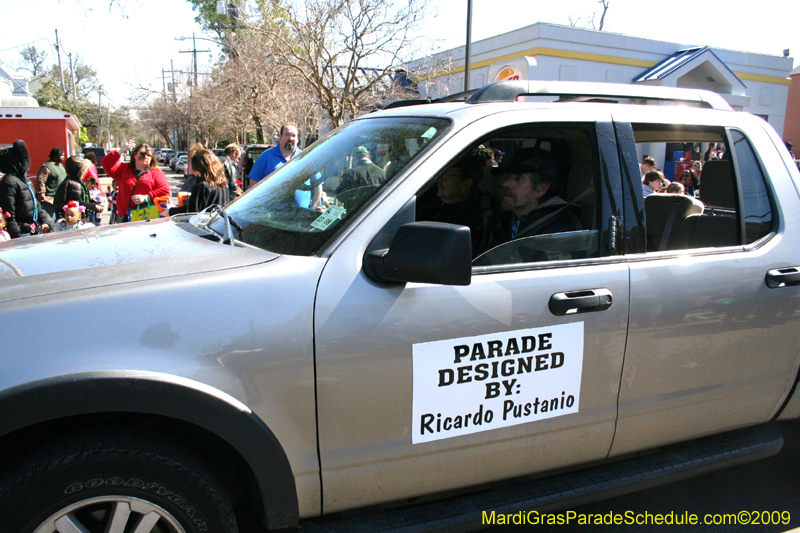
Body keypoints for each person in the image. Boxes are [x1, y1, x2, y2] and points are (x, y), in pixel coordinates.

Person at [488, 147, 581, 246]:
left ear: (540, 189)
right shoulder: (504, 221)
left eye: (519, 178)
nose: (506, 183)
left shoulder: (561, 227)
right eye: (509, 176)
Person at [417, 155, 492, 256]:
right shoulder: (428, 199)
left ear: (466, 185)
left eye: (446, 175)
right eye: (440, 174)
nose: (439, 180)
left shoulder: (476, 217)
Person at [102, 141, 170, 223]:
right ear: (134, 155)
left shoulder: (155, 173)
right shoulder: (124, 169)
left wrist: (146, 198)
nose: (145, 157)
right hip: (125, 218)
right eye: (142, 154)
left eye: (148, 155)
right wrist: (121, 151)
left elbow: (165, 190)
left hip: (147, 217)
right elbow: (106, 164)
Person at [0, 140, 53, 238]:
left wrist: (46, 222)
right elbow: (9, 215)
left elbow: (36, 206)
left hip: (33, 231)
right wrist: (18, 237)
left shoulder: (25, 180)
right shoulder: (9, 182)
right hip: (22, 233)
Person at [168, 149, 230, 215]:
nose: (187, 164)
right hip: (218, 222)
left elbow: (193, 210)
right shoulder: (222, 183)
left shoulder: (202, 185)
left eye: (190, 161)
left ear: (198, 165)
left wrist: (170, 211)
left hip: (205, 223)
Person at [248, 123, 301, 188]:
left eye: (293, 135)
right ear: (280, 137)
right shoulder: (266, 156)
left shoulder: (304, 157)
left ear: (297, 139)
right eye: (287, 135)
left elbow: (316, 183)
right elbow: (253, 181)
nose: (290, 138)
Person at [54, 156, 105, 221]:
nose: (86, 172)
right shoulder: (74, 184)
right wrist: (94, 206)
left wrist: (93, 202)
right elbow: (77, 202)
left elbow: (82, 199)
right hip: (73, 219)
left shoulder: (76, 181)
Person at [34, 147, 67, 218]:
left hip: (60, 200)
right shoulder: (47, 167)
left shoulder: (62, 167)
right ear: (55, 156)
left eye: (64, 155)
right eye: (61, 155)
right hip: (49, 200)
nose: (63, 157)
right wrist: (42, 196)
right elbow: (41, 181)